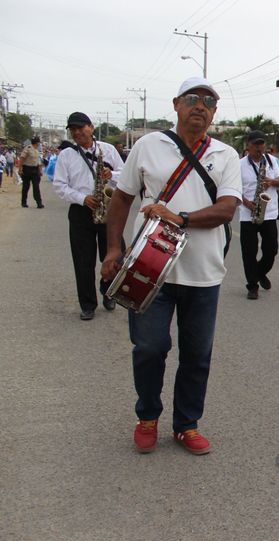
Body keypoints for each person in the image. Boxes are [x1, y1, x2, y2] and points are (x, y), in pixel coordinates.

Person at [100, 77, 242, 455]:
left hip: (204, 273)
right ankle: (147, 416)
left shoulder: (225, 155)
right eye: (193, 98)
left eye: (208, 102)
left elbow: (226, 209)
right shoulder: (148, 146)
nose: (200, 106)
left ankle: (186, 425)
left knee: (197, 354)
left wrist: (178, 218)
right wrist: (113, 249)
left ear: (214, 112)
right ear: (177, 104)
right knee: (149, 347)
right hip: (147, 268)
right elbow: (121, 199)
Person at [53, 112, 126, 321]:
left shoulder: (108, 150)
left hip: (107, 209)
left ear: (91, 127)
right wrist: (82, 198)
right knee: (83, 261)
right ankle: (87, 305)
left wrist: (112, 175)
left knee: (115, 256)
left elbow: (125, 174)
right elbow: (59, 185)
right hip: (81, 211)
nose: (77, 132)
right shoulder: (66, 155)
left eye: (80, 128)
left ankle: (108, 290)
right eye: (73, 129)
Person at [239, 130, 279, 300]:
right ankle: (252, 286)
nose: (259, 148)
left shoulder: (271, 161)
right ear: (248, 146)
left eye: (261, 144)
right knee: (249, 252)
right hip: (248, 214)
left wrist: (270, 182)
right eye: (255, 144)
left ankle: (259, 273)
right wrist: (246, 203)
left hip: (269, 212)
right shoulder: (239, 165)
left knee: (271, 250)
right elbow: (233, 189)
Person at [18, 136, 45, 208]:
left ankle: (39, 203)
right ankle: (24, 202)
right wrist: (20, 169)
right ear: (37, 143)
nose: (39, 144)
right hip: (27, 169)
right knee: (26, 187)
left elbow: (38, 162)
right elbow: (22, 158)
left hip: (35, 170)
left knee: (36, 187)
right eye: (39, 142)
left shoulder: (37, 150)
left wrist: (40, 171)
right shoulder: (28, 148)